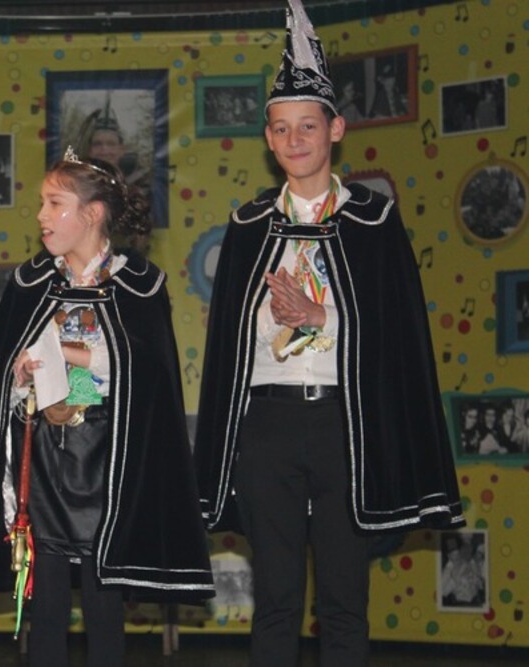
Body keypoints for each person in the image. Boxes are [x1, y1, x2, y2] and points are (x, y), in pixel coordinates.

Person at [192, 3, 465, 667]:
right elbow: (230, 342)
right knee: (275, 600)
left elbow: (398, 334)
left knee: (344, 602)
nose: (295, 140)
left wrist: (322, 319)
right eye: (282, 128)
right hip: (267, 426)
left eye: (307, 126)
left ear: (335, 130)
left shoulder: (372, 221)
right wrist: (276, 317)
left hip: (346, 426)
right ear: (268, 137)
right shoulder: (249, 225)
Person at [0, 146, 214, 667]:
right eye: (42, 203)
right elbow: (9, 373)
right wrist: (20, 376)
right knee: (47, 601)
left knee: (102, 602)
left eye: (55, 204)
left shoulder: (139, 284)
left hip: (107, 464)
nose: (41, 216)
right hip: (46, 460)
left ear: (92, 214)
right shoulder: (31, 284)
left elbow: (147, 373)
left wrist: (66, 352)